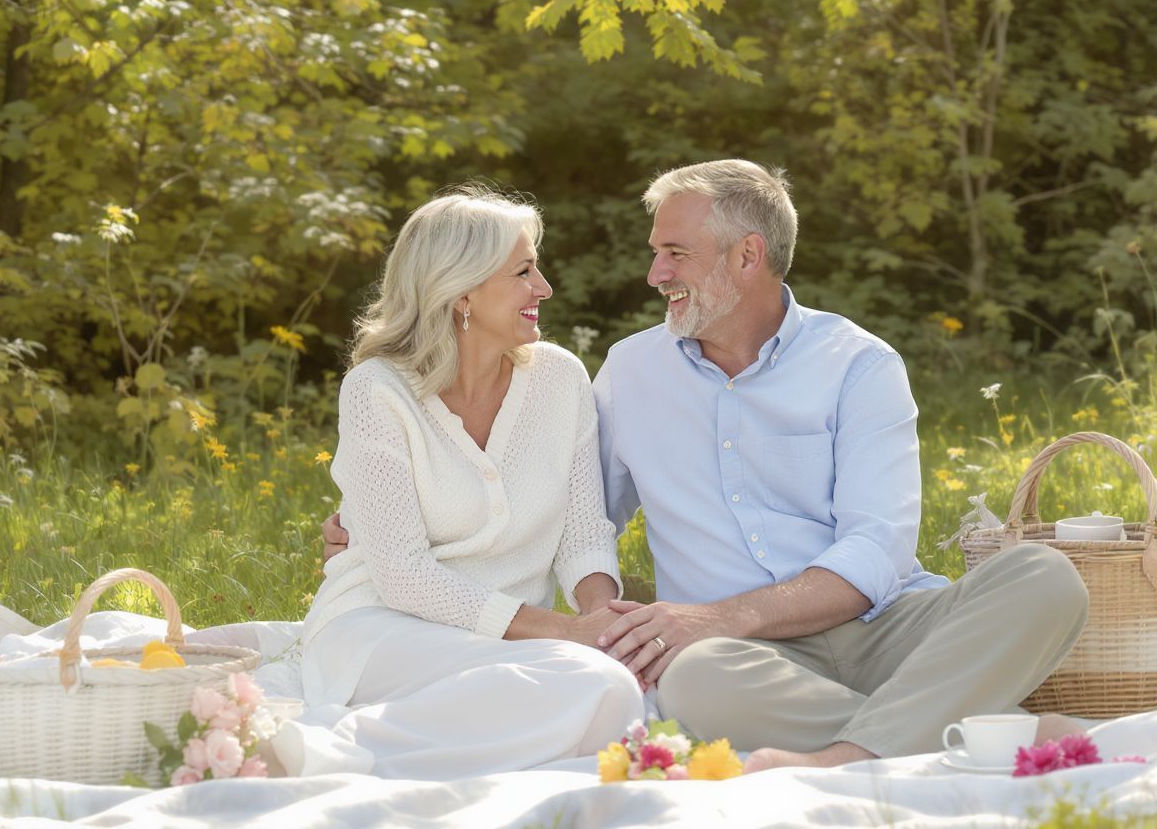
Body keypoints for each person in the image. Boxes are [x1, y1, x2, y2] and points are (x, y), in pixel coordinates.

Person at [325, 160, 1089, 772]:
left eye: (674, 253)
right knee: (687, 682)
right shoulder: (627, 371)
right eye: (657, 252)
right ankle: (982, 725)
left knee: (1045, 576)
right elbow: (578, 516)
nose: (656, 273)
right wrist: (377, 522)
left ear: (747, 256)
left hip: (882, 624)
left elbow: (876, 552)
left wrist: (719, 614)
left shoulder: (858, 364)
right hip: (738, 662)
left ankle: (849, 753)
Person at [303, 185, 643, 780]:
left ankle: (382, 752)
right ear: (461, 290)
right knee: (587, 690)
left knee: (614, 686)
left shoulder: (561, 379)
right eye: (524, 271)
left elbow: (584, 530)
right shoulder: (377, 390)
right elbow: (404, 577)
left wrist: (602, 620)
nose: (544, 288)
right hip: (381, 626)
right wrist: (566, 633)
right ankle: (323, 753)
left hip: (513, 643)